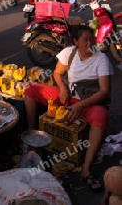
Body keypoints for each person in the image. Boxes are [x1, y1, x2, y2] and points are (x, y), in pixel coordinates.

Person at [24, 25, 113, 191]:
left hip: (88, 102)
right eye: (85, 40)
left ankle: (86, 169)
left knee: (101, 116)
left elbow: (104, 91)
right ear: (75, 42)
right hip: (68, 97)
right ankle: (32, 137)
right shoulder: (69, 53)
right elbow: (57, 73)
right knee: (30, 89)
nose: (90, 43)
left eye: (92, 39)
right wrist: (63, 88)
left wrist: (81, 104)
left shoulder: (102, 59)